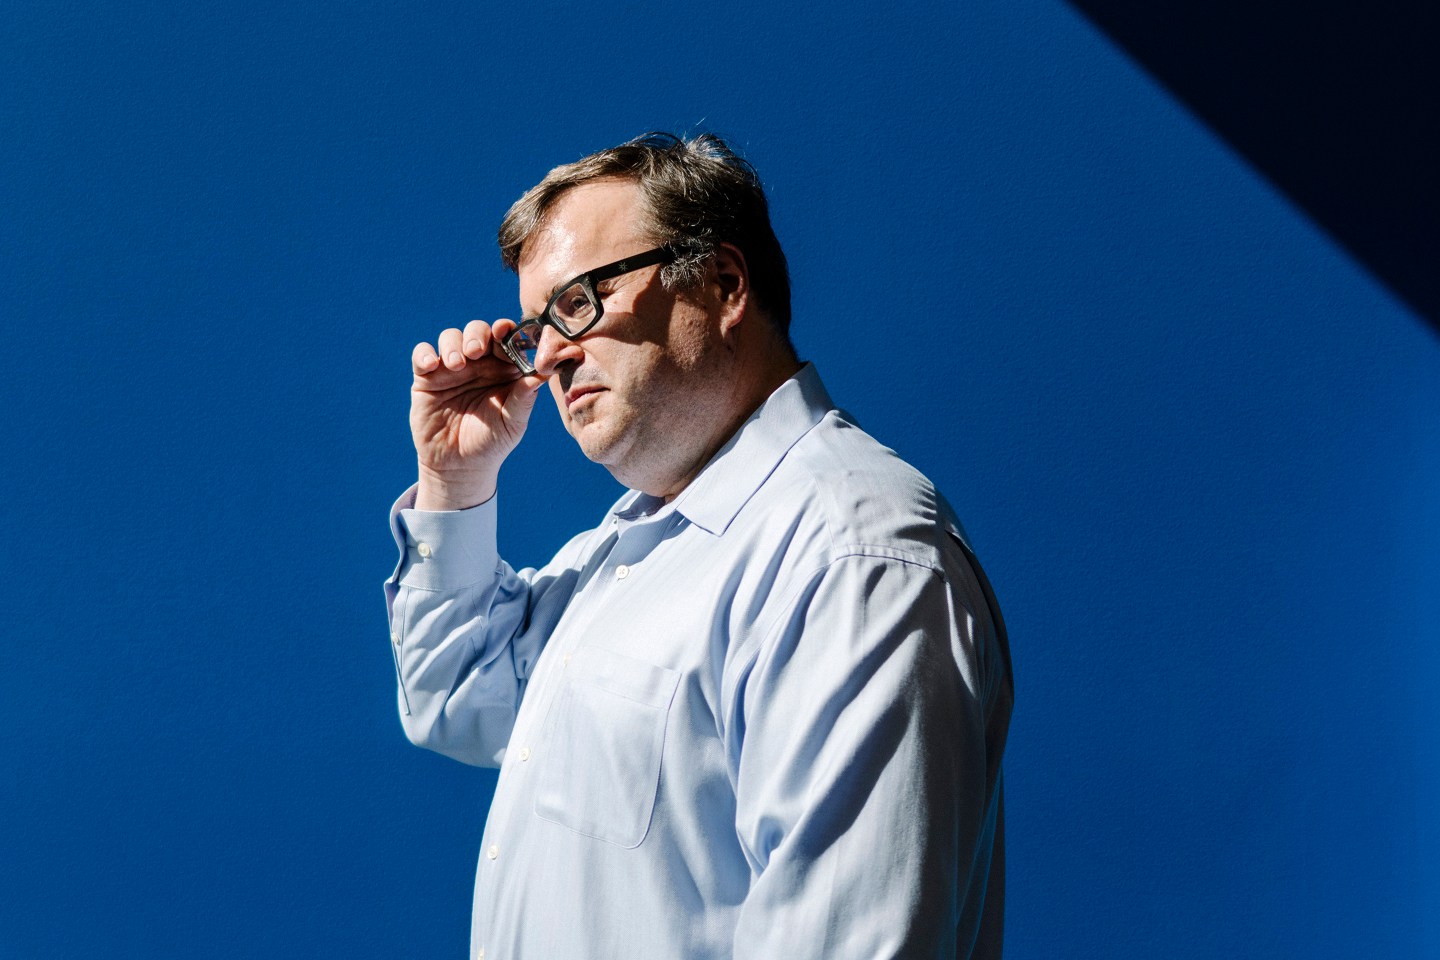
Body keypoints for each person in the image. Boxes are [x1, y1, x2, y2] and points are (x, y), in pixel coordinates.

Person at [384, 132, 1013, 960]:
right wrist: (454, 485)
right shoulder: (632, 548)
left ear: (721, 283)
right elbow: (458, 698)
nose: (548, 359)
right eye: (533, 329)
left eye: (579, 301)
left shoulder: (849, 553)